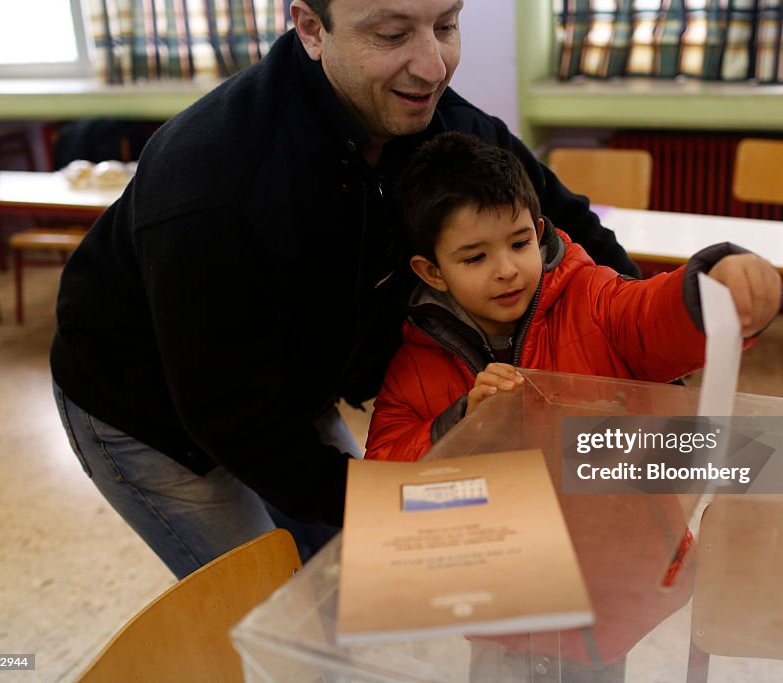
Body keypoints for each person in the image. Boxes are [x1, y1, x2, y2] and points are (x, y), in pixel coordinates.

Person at [50, 0, 643, 578]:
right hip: (148, 412)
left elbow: (568, 224)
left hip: (284, 386)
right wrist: (416, 500)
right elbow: (234, 420)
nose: (433, 65)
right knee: (276, 607)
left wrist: (652, 339)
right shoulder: (215, 185)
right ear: (311, 28)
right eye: (391, 35)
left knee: (357, 582)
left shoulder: (419, 108)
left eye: (447, 24)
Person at [365, 132, 782, 462]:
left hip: (625, 543)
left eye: (519, 243)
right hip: (508, 556)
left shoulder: (590, 297)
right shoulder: (415, 365)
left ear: (540, 233)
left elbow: (646, 316)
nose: (507, 269)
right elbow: (385, 469)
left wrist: (708, 289)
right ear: (432, 272)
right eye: (475, 258)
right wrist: (461, 424)